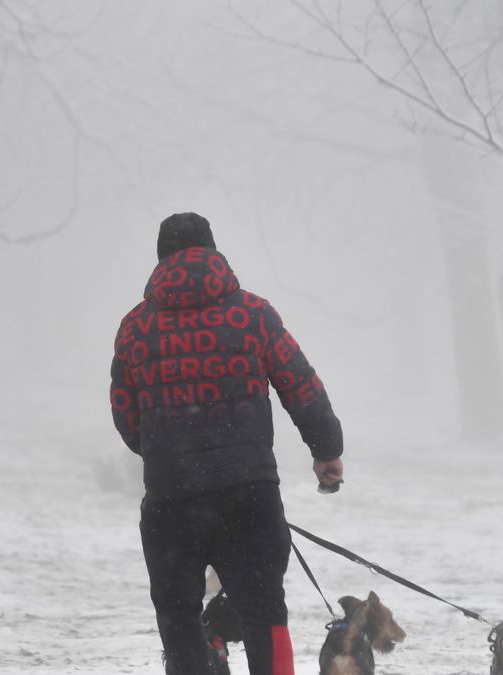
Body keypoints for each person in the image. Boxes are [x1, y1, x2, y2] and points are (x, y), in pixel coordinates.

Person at [109, 212, 344, 675]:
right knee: (265, 615)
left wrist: (166, 452)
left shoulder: (135, 327)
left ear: (161, 260)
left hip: (172, 502)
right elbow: (301, 385)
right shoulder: (252, 314)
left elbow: (125, 413)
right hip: (249, 497)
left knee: (178, 620)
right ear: (214, 253)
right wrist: (326, 450)